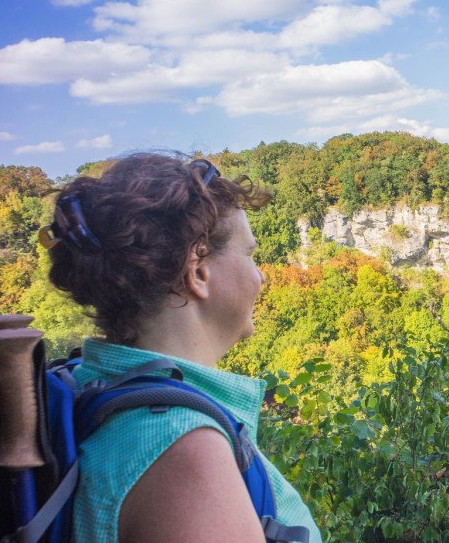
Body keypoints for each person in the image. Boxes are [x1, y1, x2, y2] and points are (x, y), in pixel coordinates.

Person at [42, 153, 322, 543]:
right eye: (250, 255)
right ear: (199, 271)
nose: (260, 276)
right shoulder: (181, 447)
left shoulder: (89, 384)